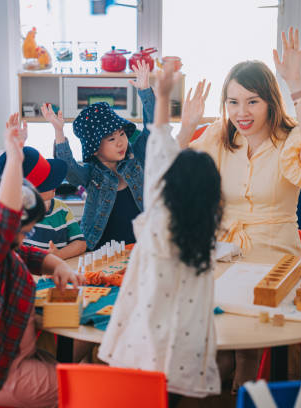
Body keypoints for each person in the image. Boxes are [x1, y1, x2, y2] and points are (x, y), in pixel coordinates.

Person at [175, 27, 301, 390]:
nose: (242, 112)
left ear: (270, 100)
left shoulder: (292, 137)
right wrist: (185, 126)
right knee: (216, 354)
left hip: (275, 255)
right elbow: (174, 169)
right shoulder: (218, 137)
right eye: (233, 102)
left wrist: (296, 84)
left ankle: (253, 380)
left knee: (255, 348)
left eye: (252, 101)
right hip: (224, 254)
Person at [98, 63, 223, 404]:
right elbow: (160, 155)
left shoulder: (154, 228)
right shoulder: (207, 241)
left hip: (141, 348)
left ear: (168, 189)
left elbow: (158, 154)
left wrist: (164, 95)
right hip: (182, 358)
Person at [0, 113, 84, 408]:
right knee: (90, 384)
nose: (22, 239)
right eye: (21, 231)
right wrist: (14, 157)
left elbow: (30, 254)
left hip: (5, 363)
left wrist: (57, 264)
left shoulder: (1, 250)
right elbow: (5, 223)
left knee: (73, 363)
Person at [43, 61, 155, 250]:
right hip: (101, 250)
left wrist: (145, 91)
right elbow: (69, 171)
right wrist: (59, 132)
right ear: (95, 148)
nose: (121, 142)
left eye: (122, 134)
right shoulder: (91, 174)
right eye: (111, 139)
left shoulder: (136, 157)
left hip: (140, 247)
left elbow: (154, 127)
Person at [0, 146, 86, 259]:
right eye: (47, 181)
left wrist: (58, 255)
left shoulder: (62, 210)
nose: (55, 184)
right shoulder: (17, 217)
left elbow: (80, 243)